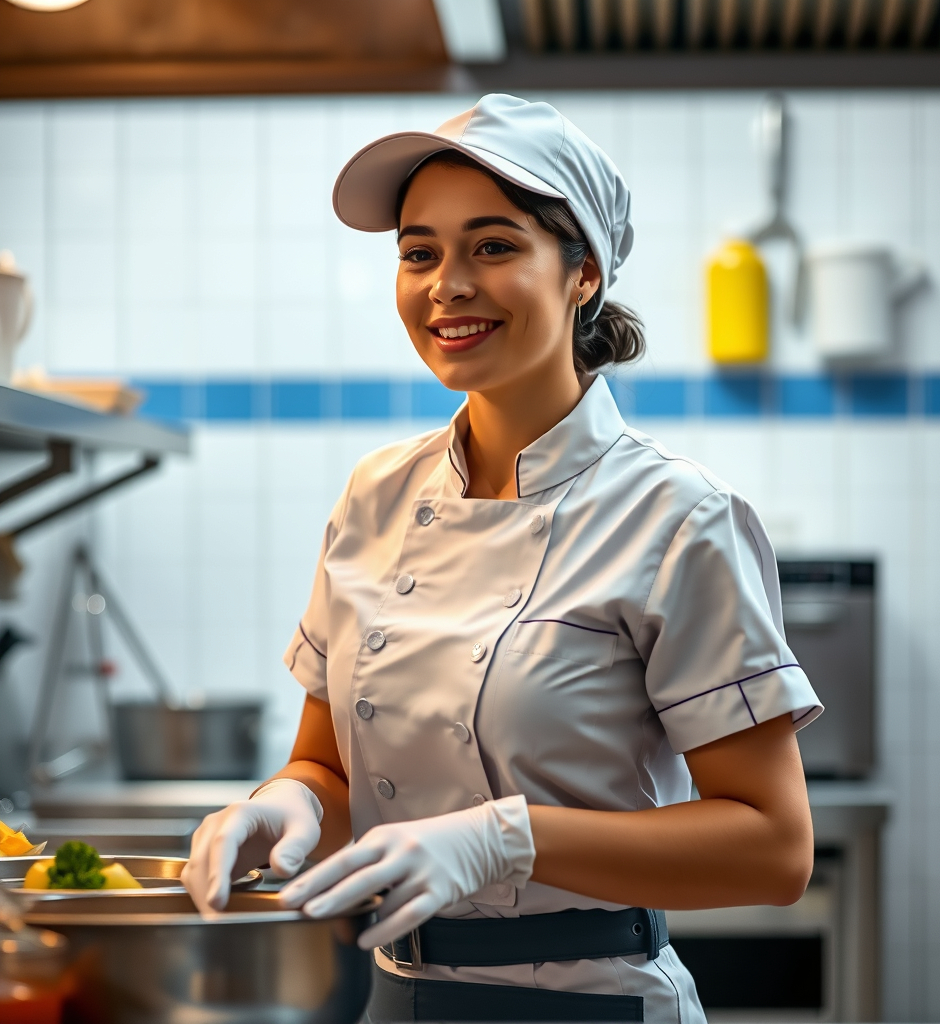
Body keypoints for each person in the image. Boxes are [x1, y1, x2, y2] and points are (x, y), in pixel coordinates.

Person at [182, 94, 823, 1023]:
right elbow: (328, 766)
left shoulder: (679, 516)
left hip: (591, 1002)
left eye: (492, 246)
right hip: (393, 997)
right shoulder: (375, 494)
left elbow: (772, 851)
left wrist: (500, 841)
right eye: (418, 252)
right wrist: (288, 805)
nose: (447, 284)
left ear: (583, 276)